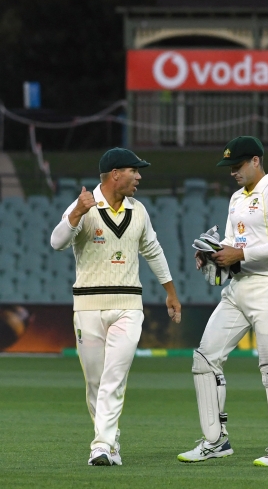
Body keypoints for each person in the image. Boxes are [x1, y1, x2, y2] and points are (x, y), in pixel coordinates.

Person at [50, 147, 181, 466]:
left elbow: (153, 249)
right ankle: (111, 441)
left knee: (114, 375)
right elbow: (56, 242)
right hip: (87, 307)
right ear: (115, 174)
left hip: (128, 305)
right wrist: (76, 214)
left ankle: (101, 444)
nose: (139, 177)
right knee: (95, 381)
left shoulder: (139, 211)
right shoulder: (84, 205)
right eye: (134, 171)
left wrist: (170, 292)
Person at [177, 136, 268, 467]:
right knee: (204, 358)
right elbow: (232, 241)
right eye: (230, 166)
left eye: (238, 165)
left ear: (256, 161)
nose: (233, 171)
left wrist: (240, 253)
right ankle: (216, 441)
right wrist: (214, 255)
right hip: (238, 288)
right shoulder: (235, 198)